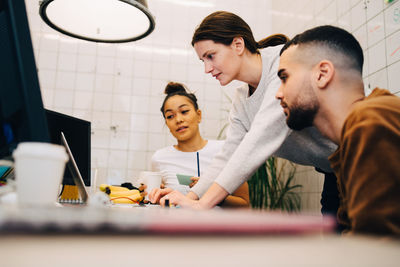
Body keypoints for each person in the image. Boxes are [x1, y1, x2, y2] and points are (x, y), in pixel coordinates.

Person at [159, 11, 338, 211]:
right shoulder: (241, 100)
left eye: (211, 56)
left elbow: (258, 141)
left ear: (238, 45)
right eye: (203, 61)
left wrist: (202, 204)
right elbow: (227, 157)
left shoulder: (283, 64)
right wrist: (188, 199)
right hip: (334, 171)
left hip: (365, 154)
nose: (207, 69)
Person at [275, 25, 400, 236]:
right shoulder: (354, 137)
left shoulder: (370, 122)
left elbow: (376, 250)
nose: (278, 94)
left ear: (322, 74)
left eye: (285, 77)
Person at [148, 82, 249, 208]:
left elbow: (244, 206)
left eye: (184, 111)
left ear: (199, 115)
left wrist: (211, 194)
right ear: (167, 123)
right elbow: (162, 204)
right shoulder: (159, 158)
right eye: (170, 116)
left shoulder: (225, 150)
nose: (178, 120)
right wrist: (153, 196)